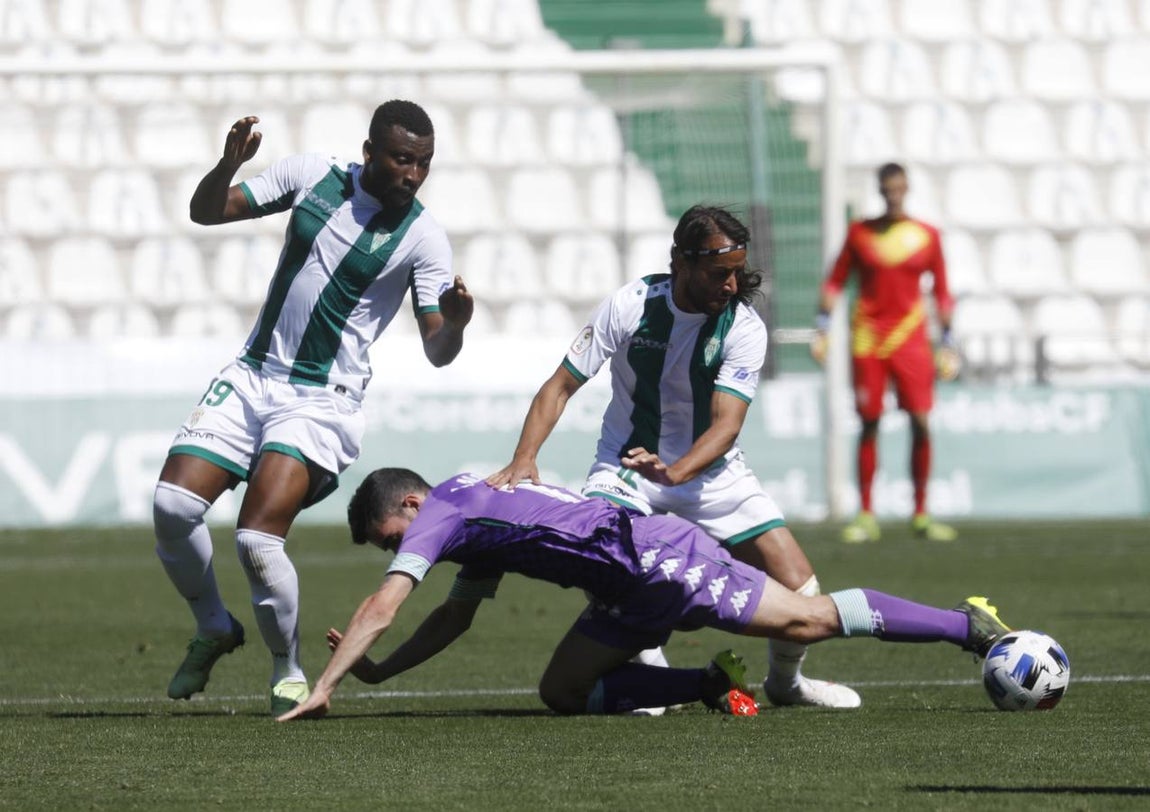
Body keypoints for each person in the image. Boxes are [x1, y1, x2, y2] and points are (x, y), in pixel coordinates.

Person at [152, 101, 474, 716]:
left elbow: (438, 348)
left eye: (424, 164)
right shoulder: (313, 176)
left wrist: (454, 325)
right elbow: (207, 210)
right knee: (172, 506)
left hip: (323, 400)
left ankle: (287, 669)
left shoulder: (425, 238)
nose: (413, 174)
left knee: (254, 539)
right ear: (369, 152)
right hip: (252, 375)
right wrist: (227, 165)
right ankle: (215, 626)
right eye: (403, 159)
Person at [485, 205, 859, 710]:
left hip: (712, 476)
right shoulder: (631, 304)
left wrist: (678, 471)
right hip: (626, 471)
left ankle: (786, 684)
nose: (730, 286)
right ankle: (651, 669)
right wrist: (524, 456)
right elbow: (560, 385)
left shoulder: (743, 327)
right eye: (718, 274)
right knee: (611, 564)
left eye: (737, 274)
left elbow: (727, 425)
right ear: (680, 263)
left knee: (803, 586)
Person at [276, 468, 1010, 721]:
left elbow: (387, 604)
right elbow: (452, 619)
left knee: (810, 621)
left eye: (387, 537)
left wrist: (329, 687)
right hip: (623, 588)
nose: (395, 551)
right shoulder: (469, 516)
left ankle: (964, 626)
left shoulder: (444, 515)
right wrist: (378, 672)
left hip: (657, 559)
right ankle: (711, 683)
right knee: (563, 691)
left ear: (409, 506)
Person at [813, 163, 959, 544]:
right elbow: (835, 280)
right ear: (881, 189)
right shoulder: (860, 233)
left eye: (899, 187)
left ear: (906, 188)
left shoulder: (926, 235)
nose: (893, 194)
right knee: (869, 421)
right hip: (868, 340)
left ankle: (921, 513)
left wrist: (948, 340)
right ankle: (865, 513)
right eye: (887, 188)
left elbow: (942, 289)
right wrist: (823, 327)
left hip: (911, 339)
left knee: (921, 421)